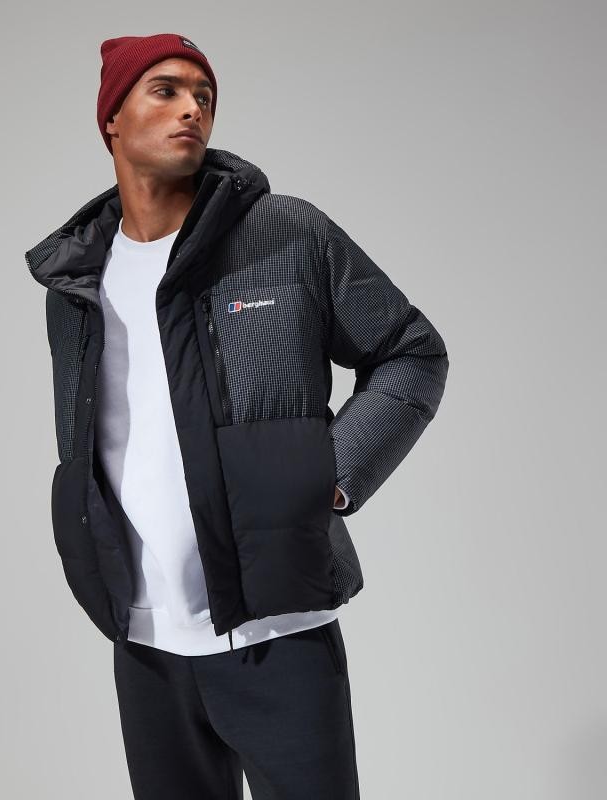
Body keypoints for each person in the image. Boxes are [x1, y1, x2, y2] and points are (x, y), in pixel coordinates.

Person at [25, 32, 449, 800]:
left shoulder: (286, 235)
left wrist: (329, 475)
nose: (192, 108)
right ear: (111, 118)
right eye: (165, 90)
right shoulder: (76, 281)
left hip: (278, 632)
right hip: (145, 642)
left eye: (205, 95)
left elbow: (412, 354)